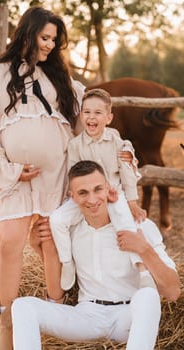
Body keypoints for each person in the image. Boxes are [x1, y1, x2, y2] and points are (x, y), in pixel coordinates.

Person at [0, 6, 87, 350]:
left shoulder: (59, 78)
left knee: (50, 242)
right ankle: (7, 327)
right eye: (45, 37)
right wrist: (10, 169)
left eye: (54, 40)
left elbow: (79, 123)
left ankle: (56, 320)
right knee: (10, 244)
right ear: (27, 32)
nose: (49, 45)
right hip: (15, 177)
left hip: (54, 175)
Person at [12, 160, 180, 350]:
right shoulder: (71, 231)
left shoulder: (139, 226)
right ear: (72, 197)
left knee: (148, 295)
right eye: (83, 193)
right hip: (87, 315)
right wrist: (38, 247)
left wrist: (144, 249)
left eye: (98, 189)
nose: (92, 200)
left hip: (127, 316)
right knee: (22, 306)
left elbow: (173, 292)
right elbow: (57, 293)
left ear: (108, 189)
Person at [50, 88, 153, 291]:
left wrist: (132, 202)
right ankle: (68, 263)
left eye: (98, 113)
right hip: (86, 194)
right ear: (81, 115)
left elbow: (127, 173)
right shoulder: (75, 145)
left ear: (109, 118)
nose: (91, 117)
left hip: (113, 193)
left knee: (127, 221)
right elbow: (73, 174)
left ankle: (142, 269)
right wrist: (76, 196)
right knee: (57, 220)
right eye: (87, 112)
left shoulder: (119, 143)